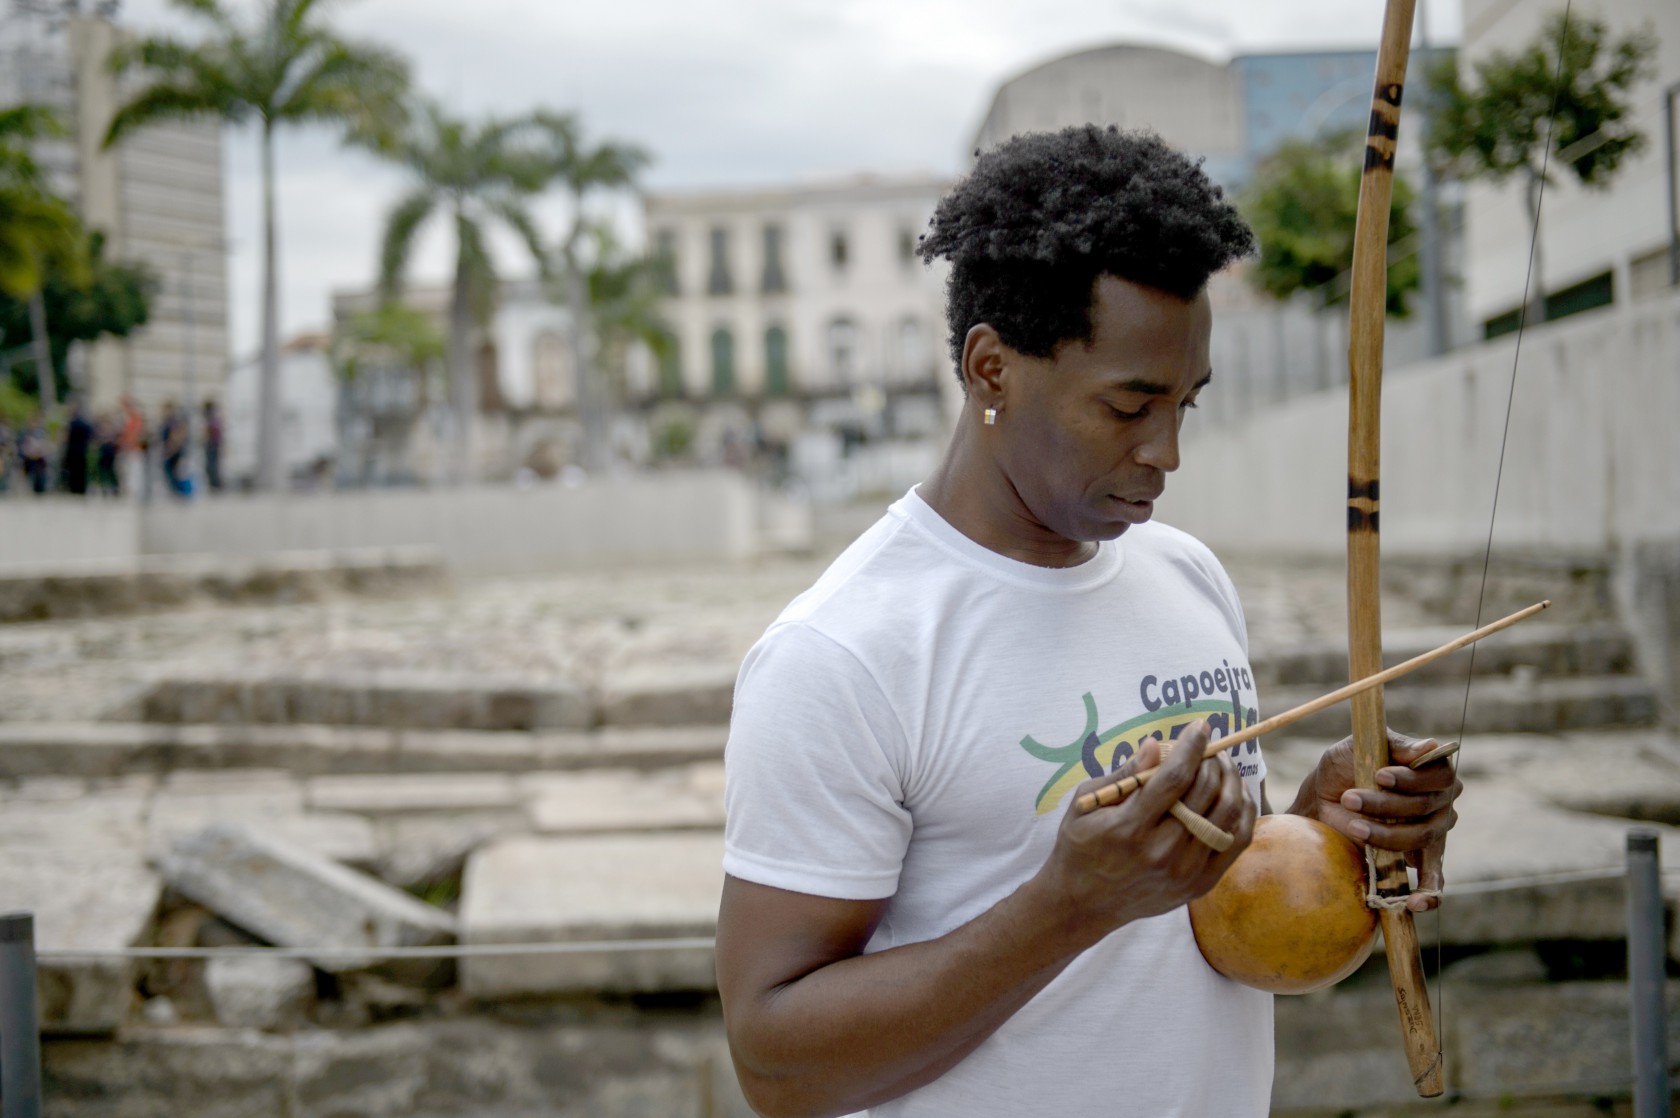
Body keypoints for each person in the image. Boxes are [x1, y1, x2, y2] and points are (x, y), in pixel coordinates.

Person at [716, 126, 1461, 1118]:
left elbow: (1208, 929)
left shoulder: (1187, 575)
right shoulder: (844, 654)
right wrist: (1070, 903)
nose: (1168, 451)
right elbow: (778, 1065)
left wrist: (1330, 826)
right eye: (1129, 406)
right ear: (991, 369)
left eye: (1187, 403)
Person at [60, 400, 93, 496]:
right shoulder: (86, 424)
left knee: (73, 471)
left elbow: (66, 437)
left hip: (72, 450)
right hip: (83, 450)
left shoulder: (72, 424)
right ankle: (81, 489)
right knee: (81, 471)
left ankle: (73, 488)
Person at [201, 398, 224, 492]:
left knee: (211, 466)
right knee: (212, 466)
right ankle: (215, 485)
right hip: (214, 444)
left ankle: (215, 485)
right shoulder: (215, 417)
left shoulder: (211, 418)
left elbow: (210, 432)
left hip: (212, 445)